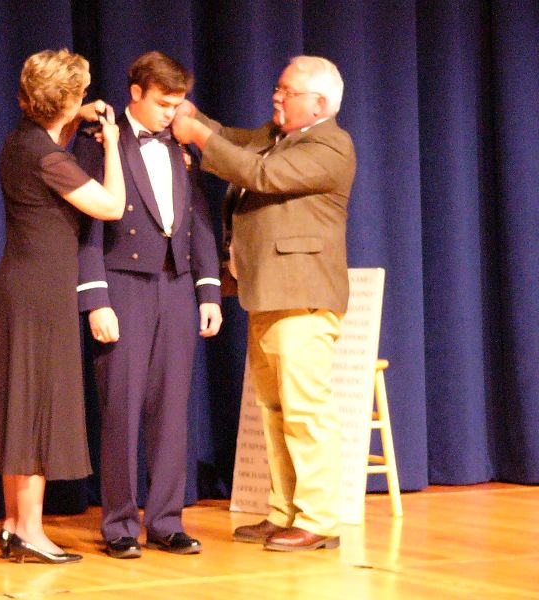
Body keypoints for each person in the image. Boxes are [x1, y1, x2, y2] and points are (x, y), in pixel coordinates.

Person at [172, 56, 356, 551]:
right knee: (274, 408)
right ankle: (284, 511)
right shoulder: (280, 136)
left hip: (303, 296)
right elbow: (233, 140)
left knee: (305, 411)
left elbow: (259, 173)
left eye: (286, 90)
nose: (276, 96)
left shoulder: (330, 145)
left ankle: (318, 518)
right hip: (269, 293)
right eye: (277, 87)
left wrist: (196, 135)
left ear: (318, 103)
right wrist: (196, 118)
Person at [0, 48, 125, 565]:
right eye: (80, 95)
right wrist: (112, 148)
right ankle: (32, 532)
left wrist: (72, 119)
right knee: (37, 406)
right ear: (68, 99)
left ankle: (16, 526)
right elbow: (110, 206)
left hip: (21, 284)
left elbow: (51, 139)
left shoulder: (22, 142)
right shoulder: (47, 156)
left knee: (20, 404)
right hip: (40, 291)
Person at [74, 51, 222, 559]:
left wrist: (209, 290)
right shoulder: (100, 145)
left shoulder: (179, 148)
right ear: (135, 93)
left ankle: (165, 519)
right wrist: (95, 299)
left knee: (171, 410)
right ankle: (118, 523)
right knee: (120, 408)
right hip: (123, 287)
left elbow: (197, 219)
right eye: (163, 103)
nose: (171, 114)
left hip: (177, 287)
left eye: (178, 103)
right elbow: (85, 228)